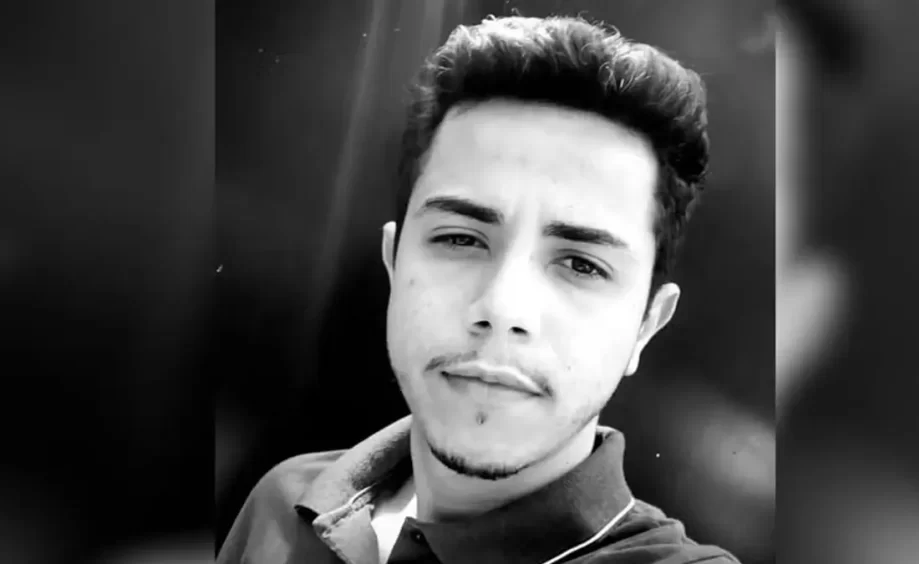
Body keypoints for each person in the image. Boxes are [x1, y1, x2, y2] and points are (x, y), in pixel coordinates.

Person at [219, 14, 738, 564]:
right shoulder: (283, 504)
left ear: (647, 325)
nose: (503, 306)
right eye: (461, 239)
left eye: (582, 265)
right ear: (393, 263)